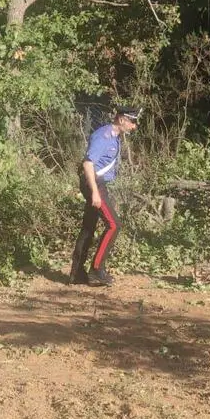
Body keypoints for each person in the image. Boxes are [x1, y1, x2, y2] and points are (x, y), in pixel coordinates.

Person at [70, 105, 141, 286]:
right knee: (114, 225)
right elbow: (87, 164)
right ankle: (96, 270)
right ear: (121, 119)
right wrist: (94, 192)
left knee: (88, 227)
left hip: (97, 183)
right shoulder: (104, 136)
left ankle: (77, 273)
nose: (134, 126)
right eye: (132, 121)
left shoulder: (115, 136)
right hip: (94, 183)